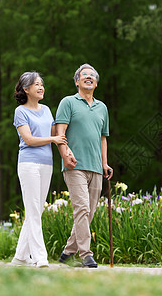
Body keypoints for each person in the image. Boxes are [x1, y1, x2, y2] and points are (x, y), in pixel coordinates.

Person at [55, 63, 113, 268]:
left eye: (92, 76)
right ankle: (85, 254)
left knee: (89, 212)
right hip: (74, 165)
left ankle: (67, 252)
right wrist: (64, 155)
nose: (88, 77)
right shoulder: (68, 102)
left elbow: (103, 138)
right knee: (81, 208)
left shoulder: (102, 108)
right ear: (77, 81)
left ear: (96, 83)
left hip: (96, 167)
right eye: (84, 75)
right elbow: (60, 133)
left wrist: (105, 164)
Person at [11, 71, 68, 268]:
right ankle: (40, 258)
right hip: (28, 164)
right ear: (26, 89)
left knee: (36, 211)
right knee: (34, 210)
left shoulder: (46, 110)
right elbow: (29, 140)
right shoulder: (21, 112)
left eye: (42, 83)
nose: (41, 87)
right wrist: (52, 139)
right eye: (36, 84)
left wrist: (64, 145)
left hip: (46, 164)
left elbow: (56, 134)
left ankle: (20, 258)